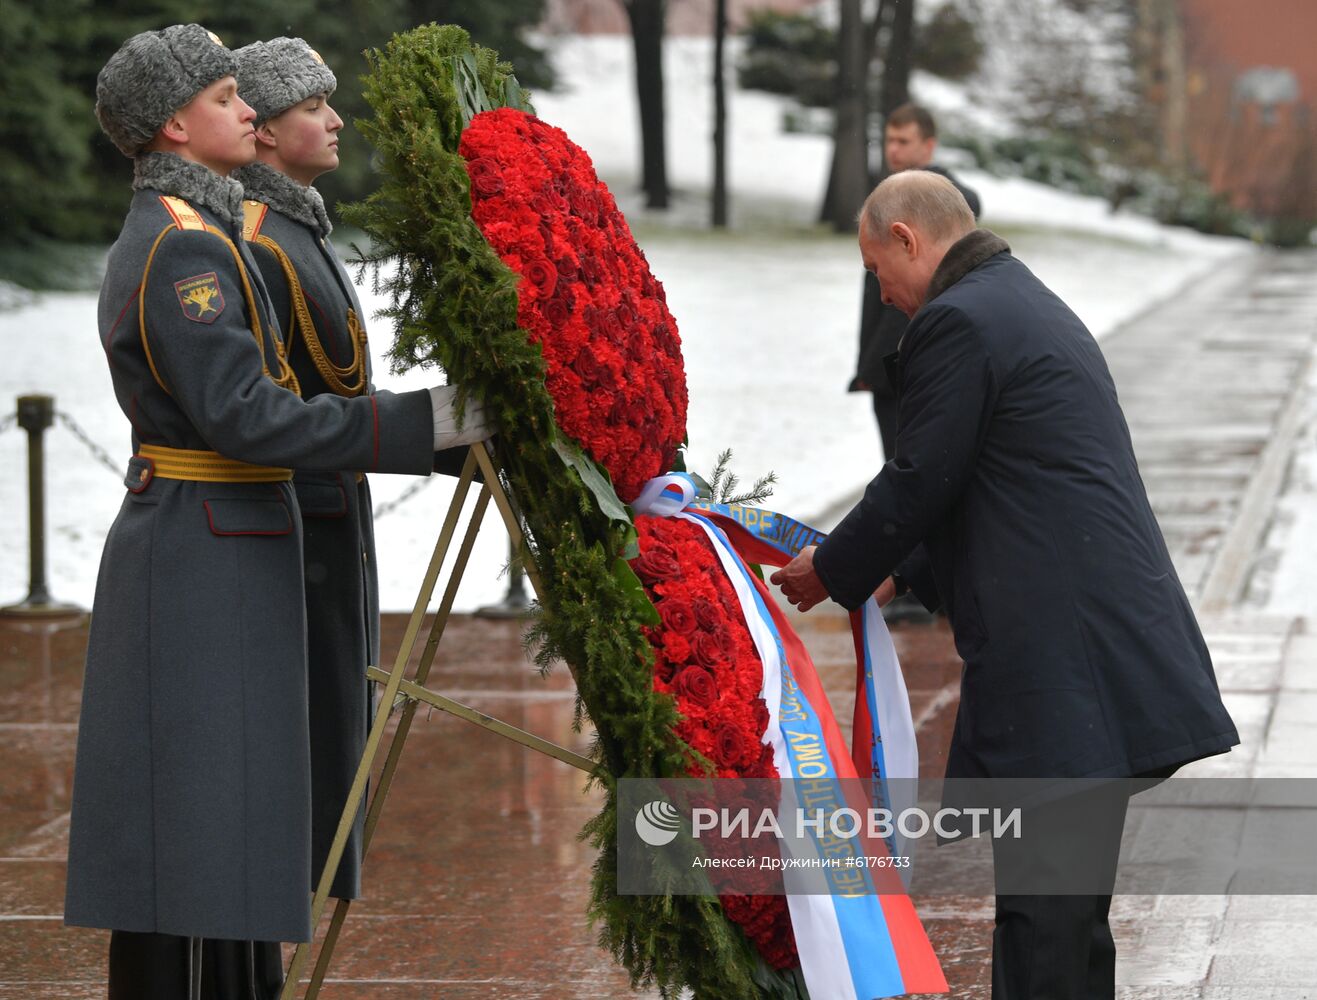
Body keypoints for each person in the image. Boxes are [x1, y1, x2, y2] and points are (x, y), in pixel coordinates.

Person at [64, 25, 490, 999]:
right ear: (174, 124)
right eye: (225, 97)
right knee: (192, 834)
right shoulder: (181, 250)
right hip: (203, 549)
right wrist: (425, 428)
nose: (248, 109)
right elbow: (248, 417)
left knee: (233, 828)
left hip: (229, 544)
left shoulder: (201, 228)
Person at [772, 171, 1239, 998]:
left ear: (908, 239)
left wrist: (838, 570)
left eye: (877, 269)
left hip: (1063, 659)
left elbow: (921, 475)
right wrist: (896, 572)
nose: (880, 292)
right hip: (1095, 640)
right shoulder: (1016, 299)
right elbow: (996, 478)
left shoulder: (958, 320)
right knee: (1070, 909)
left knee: (1043, 912)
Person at [851, 104, 979, 622]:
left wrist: (839, 566)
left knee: (919, 468)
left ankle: (921, 580)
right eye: (890, 140)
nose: (894, 151)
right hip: (888, 363)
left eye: (904, 142)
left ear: (929, 146)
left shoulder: (938, 205)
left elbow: (921, 477)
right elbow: (879, 294)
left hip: (914, 360)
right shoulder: (887, 204)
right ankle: (918, 574)